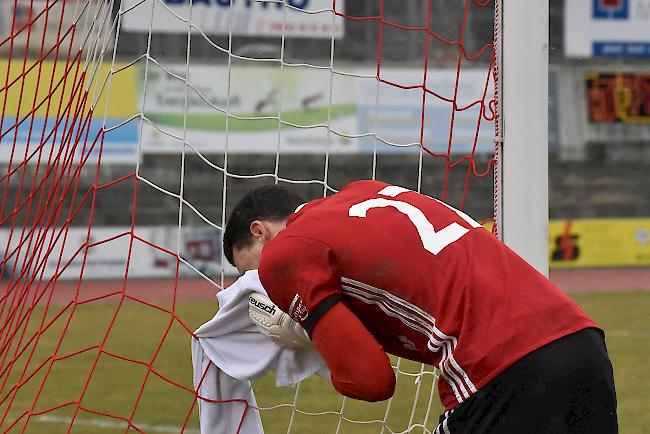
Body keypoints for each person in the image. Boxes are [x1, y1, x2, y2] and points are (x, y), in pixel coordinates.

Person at [223, 180, 618, 433]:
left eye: (249, 270)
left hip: (497, 369)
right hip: (582, 343)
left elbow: (372, 381)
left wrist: (314, 335)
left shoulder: (285, 255)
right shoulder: (362, 193)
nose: (259, 284)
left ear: (261, 231)